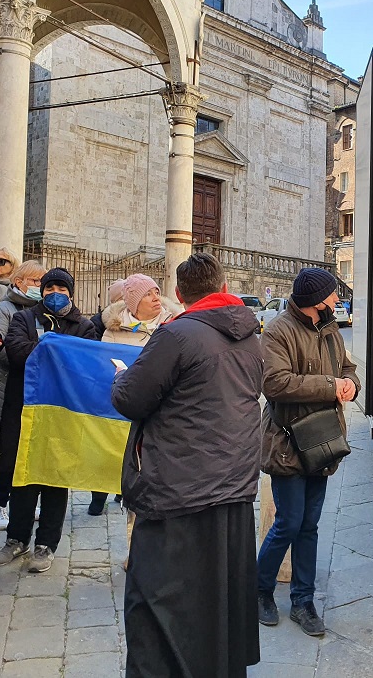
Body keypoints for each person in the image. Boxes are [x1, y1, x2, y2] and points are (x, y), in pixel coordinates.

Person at [112, 252, 262, 676]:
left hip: (177, 488)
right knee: (219, 599)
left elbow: (130, 398)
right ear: (223, 286)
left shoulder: (176, 335)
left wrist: (121, 377)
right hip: (232, 486)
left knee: (157, 604)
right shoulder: (251, 335)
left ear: (180, 293)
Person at [258, 268, 359, 637]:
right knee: (289, 521)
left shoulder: (330, 326)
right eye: (333, 294)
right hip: (288, 441)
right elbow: (275, 384)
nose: (336, 299)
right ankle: (260, 589)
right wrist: (332, 385)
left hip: (324, 440)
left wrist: (350, 384)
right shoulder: (278, 330)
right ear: (316, 299)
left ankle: (303, 602)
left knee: (310, 525)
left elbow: (348, 368)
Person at [0, 267, 97, 573]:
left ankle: (46, 544)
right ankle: (16, 539)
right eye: (49, 288)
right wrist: (57, 347)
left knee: (54, 478)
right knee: (22, 474)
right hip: (23, 409)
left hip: (62, 412)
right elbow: (18, 353)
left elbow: (82, 364)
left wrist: (48, 348)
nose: (54, 293)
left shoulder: (84, 326)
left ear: (71, 293)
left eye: (61, 288)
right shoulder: (24, 319)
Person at [89, 274, 177, 524]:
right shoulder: (114, 330)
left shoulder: (173, 326)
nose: (155, 297)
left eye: (156, 291)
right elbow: (103, 366)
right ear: (134, 302)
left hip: (161, 415)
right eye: (148, 294)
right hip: (125, 410)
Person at [0, 260, 45, 531]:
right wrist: (36, 356)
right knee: (6, 450)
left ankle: (24, 502)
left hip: (36, 390)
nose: (39, 287)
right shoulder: (3, 309)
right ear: (18, 281)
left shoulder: (42, 313)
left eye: (41, 282)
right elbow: (0, 349)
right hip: (7, 386)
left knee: (29, 449)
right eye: (34, 281)